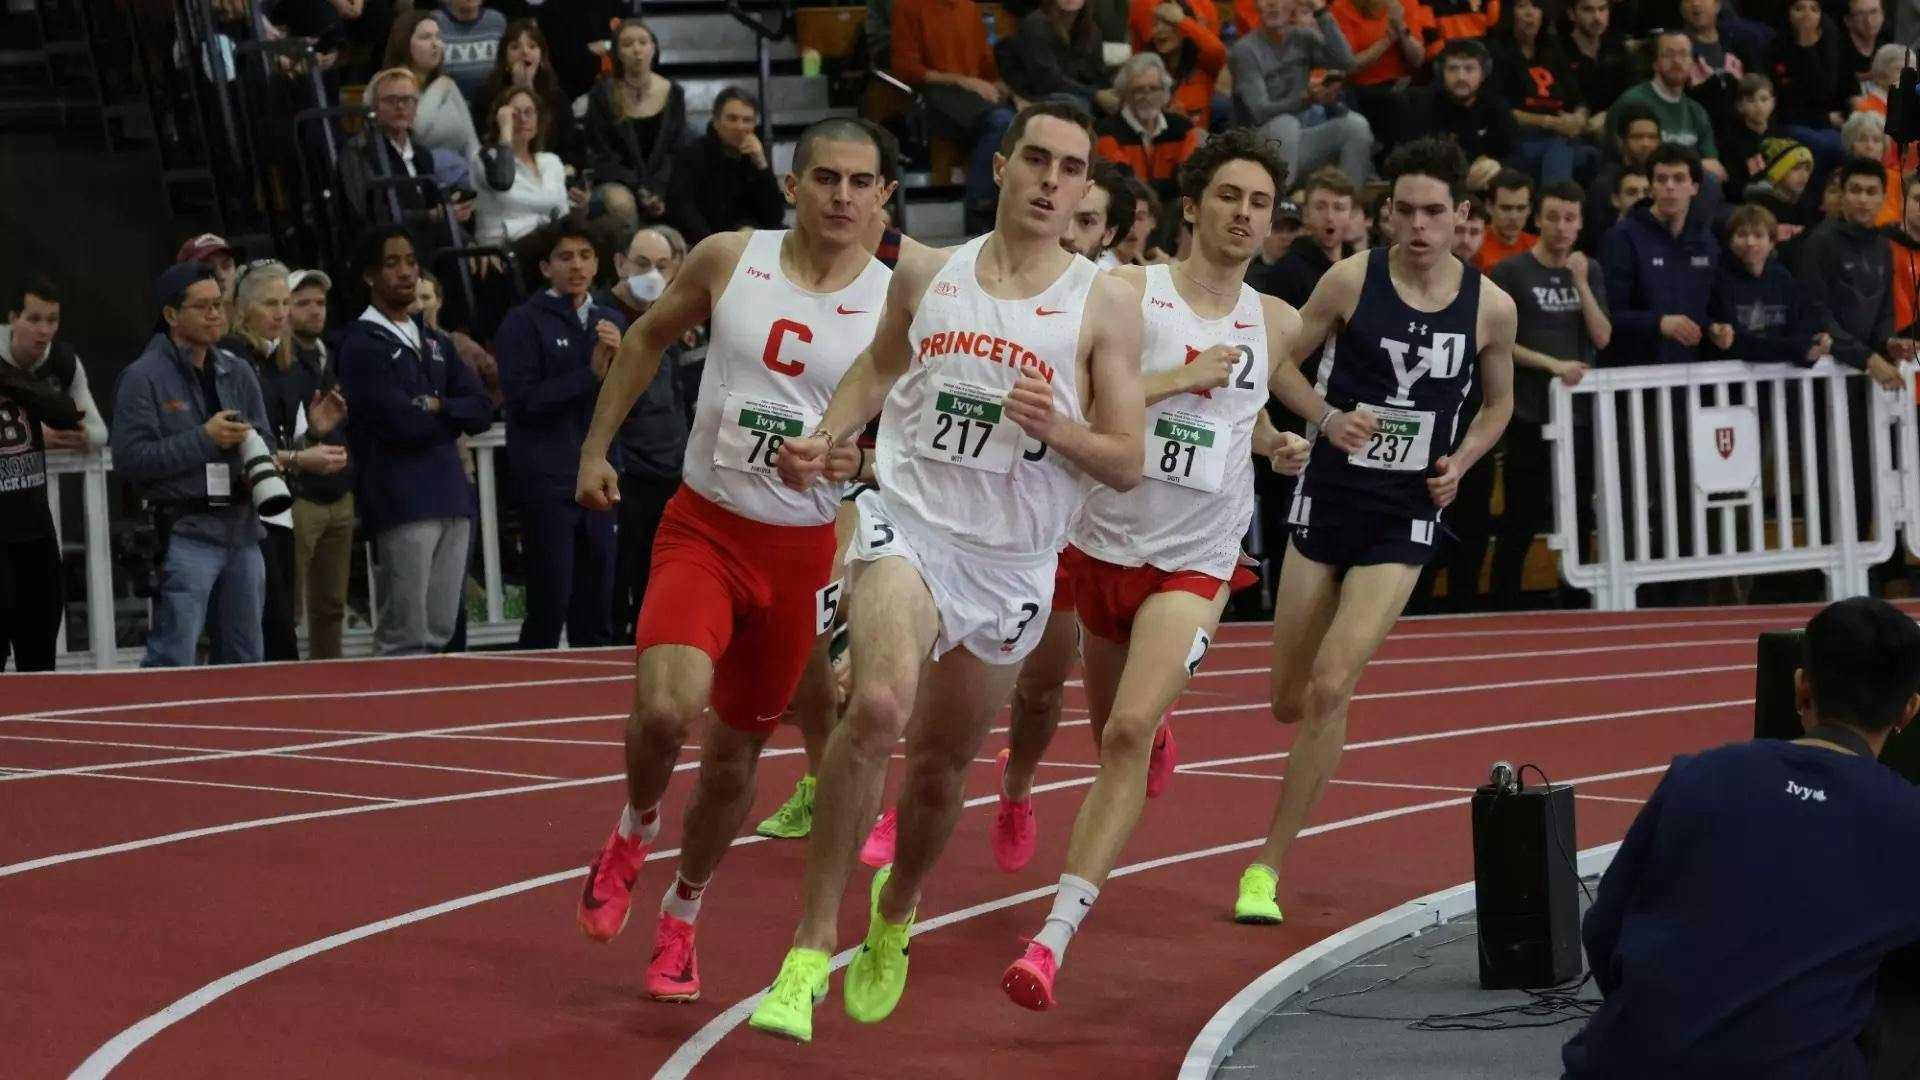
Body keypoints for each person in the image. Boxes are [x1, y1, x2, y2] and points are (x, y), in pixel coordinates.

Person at [747, 101, 1146, 1043]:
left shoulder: (1104, 304)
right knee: (878, 705)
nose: (1051, 181)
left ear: (1086, 190)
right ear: (1001, 168)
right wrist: (827, 433)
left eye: (1072, 169)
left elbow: (1127, 459)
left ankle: (896, 912)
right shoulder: (928, 272)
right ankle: (807, 950)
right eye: (1036, 160)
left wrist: (1059, 428)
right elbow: (877, 369)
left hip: (1009, 565)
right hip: (910, 525)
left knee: (939, 771)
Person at [569, 119, 893, 1006]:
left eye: (859, 182)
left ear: (882, 197)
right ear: (792, 185)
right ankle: (634, 827)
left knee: (732, 759)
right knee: (665, 709)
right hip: (705, 529)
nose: (840, 196)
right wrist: (595, 449)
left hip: (798, 555)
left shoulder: (894, 303)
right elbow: (644, 340)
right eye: (824, 178)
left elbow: (904, 440)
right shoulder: (728, 256)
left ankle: (682, 912)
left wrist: (853, 460)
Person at [1000, 129, 1314, 1009]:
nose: (1244, 215)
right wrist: (1182, 377)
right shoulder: (1127, 293)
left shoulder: (1278, 320)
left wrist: (1274, 442)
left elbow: (1242, 405)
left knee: (1127, 734)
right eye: (1230, 197)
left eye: (1260, 203)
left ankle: (1052, 939)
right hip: (1102, 545)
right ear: (1194, 204)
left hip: (1198, 558)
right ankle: (1146, 727)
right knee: (1112, 731)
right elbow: (1085, 404)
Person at [1232, 137, 1517, 924]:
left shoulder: (1490, 307)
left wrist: (1460, 462)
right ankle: (1301, 740)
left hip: (1405, 512)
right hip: (1328, 498)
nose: (1419, 227)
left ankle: (1265, 866)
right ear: (1386, 212)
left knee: (1332, 685)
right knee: (1287, 699)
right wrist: (1326, 418)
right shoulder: (1351, 280)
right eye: (1407, 211)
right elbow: (1278, 363)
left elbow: (1498, 403)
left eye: (1435, 213)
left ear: (1461, 216)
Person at [1561, 596, 1920, 1078]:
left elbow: (1604, 927)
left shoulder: (1698, 774)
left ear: (1801, 686)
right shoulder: (1907, 817)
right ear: (1909, 710)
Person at [337, 226, 494, 656]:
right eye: (392, 263)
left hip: (451, 496)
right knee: (404, 636)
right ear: (369, 275)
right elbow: (399, 424)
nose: (406, 272)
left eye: (411, 262)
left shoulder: (436, 340)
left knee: (440, 630)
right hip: (401, 500)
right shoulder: (361, 344)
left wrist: (437, 406)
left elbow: (482, 411)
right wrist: (450, 415)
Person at [113, 263, 279, 668]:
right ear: (171, 314)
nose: (214, 314)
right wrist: (205, 438)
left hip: (243, 531)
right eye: (202, 307)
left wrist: (257, 468)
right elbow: (131, 460)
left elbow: (267, 440)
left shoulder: (237, 370)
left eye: (218, 305)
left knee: (247, 660)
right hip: (186, 532)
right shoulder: (142, 377)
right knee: (173, 656)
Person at [496, 226, 625, 650]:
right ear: (544, 267)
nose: (577, 265)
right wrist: (589, 374)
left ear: (598, 264)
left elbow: (630, 400)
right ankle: (531, 685)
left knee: (598, 606)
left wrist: (624, 363)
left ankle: (595, 689)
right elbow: (523, 401)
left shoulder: (612, 321)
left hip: (600, 482)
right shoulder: (522, 322)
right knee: (549, 603)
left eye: (585, 255)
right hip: (547, 483)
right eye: (565, 256)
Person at [1487, 179, 1609, 610]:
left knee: (1580, 511)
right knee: (1522, 511)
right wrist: (1550, 364)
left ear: (1580, 224)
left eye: (1569, 218)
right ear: (1538, 219)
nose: (1561, 226)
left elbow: (1602, 336)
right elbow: (1497, 341)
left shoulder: (1589, 270)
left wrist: (1582, 283)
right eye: (1553, 217)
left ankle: (1575, 598)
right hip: (1530, 412)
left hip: (1578, 416)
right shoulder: (1511, 272)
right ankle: (1503, 602)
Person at [221, 261, 350, 661]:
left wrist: (311, 433)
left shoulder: (282, 361)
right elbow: (240, 443)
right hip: (244, 511)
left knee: (281, 628)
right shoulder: (233, 357)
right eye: (270, 303)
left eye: (284, 303)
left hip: (277, 508)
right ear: (244, 307)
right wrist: (300, 456)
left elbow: (276, 442)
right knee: (262, 626)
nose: (280, 313)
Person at [603, 226, 690, 640]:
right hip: (624, 473)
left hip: (669, 470)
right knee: (615, 583)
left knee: (656, 584)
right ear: (620, 264)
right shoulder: (601, 319)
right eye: (642, 263)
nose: (652, 274)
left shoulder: (670, 317)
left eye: (661, 265)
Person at [0, 278, 88, 671]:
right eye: (34, 319)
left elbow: (68, 414)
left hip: (35, 530)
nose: (43, 329)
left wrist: (6, 376)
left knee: (39, 651)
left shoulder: (18, 371)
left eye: (50, 320)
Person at [285, 269, 357, 659]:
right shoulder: (278, 360)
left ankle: (330, 680)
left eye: (320, 302)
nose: (315, 311)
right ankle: (284, 681)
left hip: (338, 491)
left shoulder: (328, 353)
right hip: (300, 494)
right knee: (289, 606)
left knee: (331, 606)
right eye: (303, 303)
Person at [1229, 0, 1374, 185]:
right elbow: (1260, 112)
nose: (1273, 4)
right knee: (1285, 123)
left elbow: (1345, 61)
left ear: (1293, 5)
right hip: (1253, 151)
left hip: (1298, 142)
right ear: (1257, 5)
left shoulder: (1303, 38)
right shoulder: (1245, 50)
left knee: (1356, 126)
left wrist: (1321, 12)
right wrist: (1305, 101)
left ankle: (1345, 199)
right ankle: (1278, 200)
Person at [583, 20, 688, 230]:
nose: (637, 50)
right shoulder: (602, 94)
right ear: (618, 53)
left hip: (663, 182)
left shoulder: (674, 93)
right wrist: (639, 188)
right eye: (628, 44)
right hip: (618, 182)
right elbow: (602, 153)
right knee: (620, 203)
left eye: (643, 42)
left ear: (653, 49)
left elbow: (675, 151)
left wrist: (657, 189)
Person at [664, 87, 789, 245]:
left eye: (747, 120)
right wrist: (719, 244)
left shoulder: (755, 156)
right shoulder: (692, 154)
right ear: (716, 121)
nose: (739, 127)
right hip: (707, 241)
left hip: (750, 239)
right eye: (732, 119)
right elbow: (682, 211)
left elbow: (774, 217)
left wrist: (762, 166)